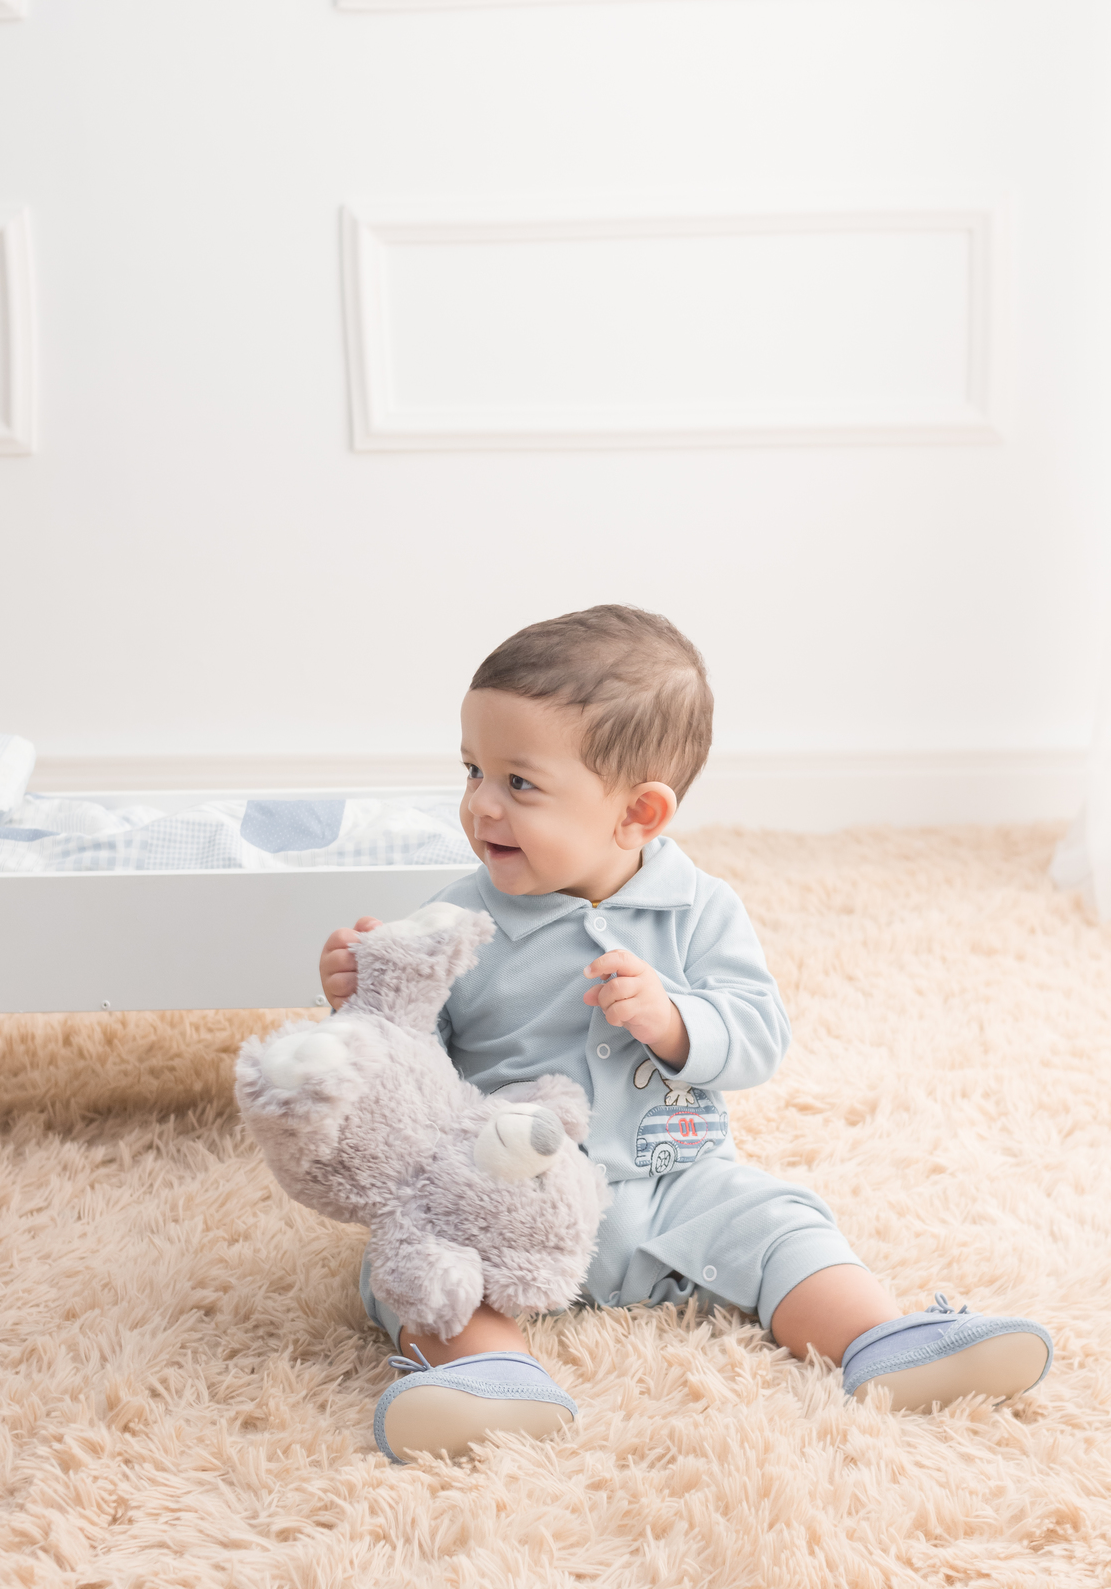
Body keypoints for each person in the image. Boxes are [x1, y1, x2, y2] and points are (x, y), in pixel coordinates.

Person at [320, 606, 1053, 1463]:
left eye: (518, 783)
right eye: (473, 769)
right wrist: (363, 1005)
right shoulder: (454, 922)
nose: (480, 804)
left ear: (639, 812)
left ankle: (880, 1339)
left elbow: (759, 1035)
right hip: (507, 1194)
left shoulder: (701, 910)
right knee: (411, 1260)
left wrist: (675, 1022)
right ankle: (489, 1377)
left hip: (678, 1183)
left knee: (782, 1222)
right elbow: (408, 1074)